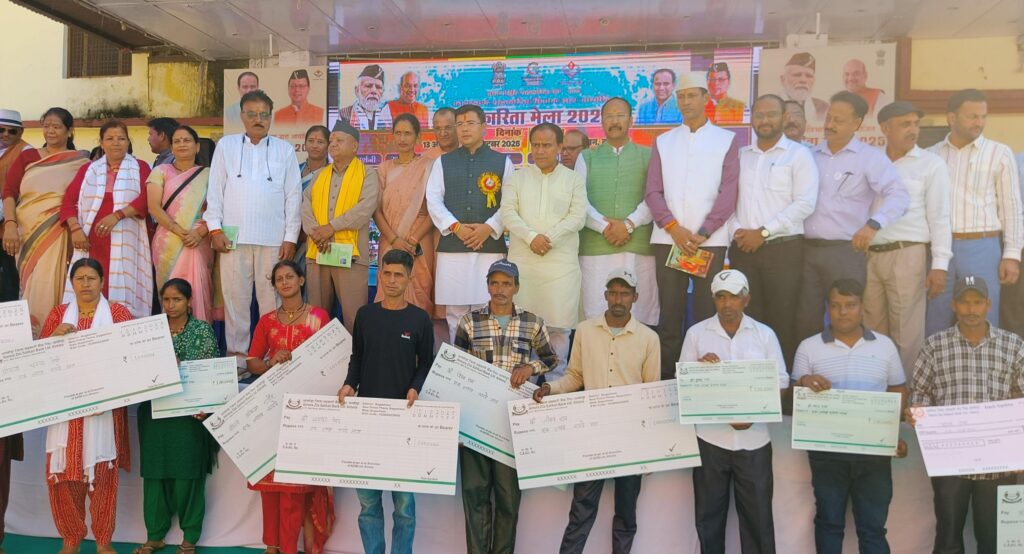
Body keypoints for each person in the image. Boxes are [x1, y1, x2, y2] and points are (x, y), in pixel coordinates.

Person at [533, 267, 660, 554]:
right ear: (605, 295)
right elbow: (575, 376)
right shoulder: (585, 330)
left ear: (635, 297)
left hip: (630, 437)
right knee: (581, 510)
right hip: (593, 434)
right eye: (613, 292)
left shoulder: (648, 338)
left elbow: (650, 394)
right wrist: (550, 388)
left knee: (626, 513)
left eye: (624, 293)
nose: (618, 299)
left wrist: (650, 448)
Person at [791, 278, 907, 554]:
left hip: (874, 453)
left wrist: (892, 433)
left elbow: (898, 389)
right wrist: (804, 381)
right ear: (827, 308)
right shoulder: (808, 347)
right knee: (829, 524)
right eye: (836, 305)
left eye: (850, 305)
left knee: (873, 529)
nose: (843, 312)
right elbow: (793, 396)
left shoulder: (885, 346)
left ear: (862, 307)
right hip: (827, 454)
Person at [909, 275, 1024, 554]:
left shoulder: (1013, 345)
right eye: (964, 302)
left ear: (988, 304)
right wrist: (918, 415)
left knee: (995, 541)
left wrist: (1019, 450)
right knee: (948, 539)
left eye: (977, 302)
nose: (971, 309)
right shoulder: (934, 346)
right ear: (953, 304)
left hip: (999, 463)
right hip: (950, 462)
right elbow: (920, 393)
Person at [680, 269, 789, 554]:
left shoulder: (764, 335)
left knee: (758, 521)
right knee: (708, 520)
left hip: (754, 441)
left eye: (734, 297)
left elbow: (780, 382)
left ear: (746, 299)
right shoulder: (696, 334)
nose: (727, 304)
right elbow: (684, 384)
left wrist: (754, 415)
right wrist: (700, 371)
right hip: (710, 440)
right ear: (713, 299)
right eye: (721, 297)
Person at [454, 259, 558, 554]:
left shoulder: (532, 322)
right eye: (494, 283)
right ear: (487, 285)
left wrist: (530, 367)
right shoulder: (469, 321)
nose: (500, 289)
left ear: (516, 287)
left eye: (506, 284)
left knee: (508, 501)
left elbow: (551, 359)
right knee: (474, 497)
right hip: (475, 423)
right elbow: (456, 367)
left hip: (513, 426)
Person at [338, 249, 434, 554]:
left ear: (409, 279)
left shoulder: (419, 319)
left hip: (404, 423)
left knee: (404, 506)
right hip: (365, 421)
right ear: (379, 274)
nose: (392, 280)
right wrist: (349, 384)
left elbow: (426, 363)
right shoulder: (366, 315)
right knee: (368, 504)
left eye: (398, 275)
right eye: (387, 273)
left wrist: (415, 388)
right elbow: (357, 357)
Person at [645, 70, 739, 378]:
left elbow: (729, 193)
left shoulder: (726, 140)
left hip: (708, 243)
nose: (686, 102)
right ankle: (668, 384)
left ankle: (703, 382)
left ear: (705, 98)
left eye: (692, 96)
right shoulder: (664, 141)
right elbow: (653, 192)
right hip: (668, 241)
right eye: (681, 96)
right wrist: (674, 228)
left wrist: (702, 232)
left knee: (705, 315)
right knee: (669, 317)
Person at [795, 91, 908, 342]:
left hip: (845, 252)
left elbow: (899, 195)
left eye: (839, 120)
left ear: (857, 123)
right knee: (805, 320)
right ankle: (807, 367)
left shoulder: (869, 158)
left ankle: (847, 367)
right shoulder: (810, 156)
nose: (830, 124)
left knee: (845, 320)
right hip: (807, 251)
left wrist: (873, 224)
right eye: (828, 117)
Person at [40, 257, 135, 554]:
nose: (85, 284)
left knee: (103, 476)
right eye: (79, 278)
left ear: (102, 282)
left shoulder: (118, 314)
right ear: (71, 283)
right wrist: (52, 339)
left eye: (91, 278)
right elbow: (39, 364)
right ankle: (71, 539)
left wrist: (108, 393)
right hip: (65, 414)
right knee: (64, 478)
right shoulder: (59, 315)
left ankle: (104, 542)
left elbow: (132, 357)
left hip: (103, 412)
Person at [205, 89, 302, 376]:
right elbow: (215, 191)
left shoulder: (284, 150)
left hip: (273, 240)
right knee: (235, 302)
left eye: (264, 115)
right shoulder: (226, 146)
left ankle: (273, 359)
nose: (258, 119)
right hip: (232, 240)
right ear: (242, 116)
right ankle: (238, 361)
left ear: (271, 117)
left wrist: (290, 237)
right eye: (252, 114)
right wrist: (214, 229)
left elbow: (293, 196)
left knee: (272, 302)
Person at [246, 260, 335, 554]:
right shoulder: (267, 321)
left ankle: (289, 548)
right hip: (272, 410)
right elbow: (252, 362)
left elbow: (332, 360)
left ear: (301, 280)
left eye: (289, 277)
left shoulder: (319, 318)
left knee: (295, 487)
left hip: (307, 413)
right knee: (270, 485)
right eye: (279, 279)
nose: (284, 282)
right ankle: (271, 546)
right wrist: (270, 362)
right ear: (274, 286)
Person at [729, 94, 818, 365]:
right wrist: (738, 231)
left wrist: (763, 232)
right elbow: (726, 200)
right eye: (759, 115)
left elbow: (805, 203)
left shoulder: (798, 155)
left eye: (771, 114)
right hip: (743, 249)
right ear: (751, 119)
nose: (765, 120)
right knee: (747, 319)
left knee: (782, 319)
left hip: (783, 251)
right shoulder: (741, 156)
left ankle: (781, 384)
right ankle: (750, 382)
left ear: (783, 117)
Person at [926, 88, 1023, 336]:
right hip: (940, 248)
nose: (979, 122)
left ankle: (986, 363)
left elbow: (1012, 207)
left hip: (983, 246)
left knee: (984, 318)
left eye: (983, 116)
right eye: (972, 116)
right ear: (951, 118)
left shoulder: (999, 153)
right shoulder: (931, 155)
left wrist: (1012, 254)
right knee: (935, 317)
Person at [865, 102, 952, 375]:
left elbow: (940, 217)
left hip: (908, 253)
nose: (913, 130)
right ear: (885, 128)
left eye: (915, 124)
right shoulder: (870, 160)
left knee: (907, 334)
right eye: (905, 124)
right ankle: (876, 393)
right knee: (871, 331)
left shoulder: (931, 164)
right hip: (868, 255)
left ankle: (908, 395)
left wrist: (940, 265)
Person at [134, 278, 219, 554]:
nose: (170, 305)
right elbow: (135, 369)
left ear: (189, 301)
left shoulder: (202, 330)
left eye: (177, 299)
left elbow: (210, 374)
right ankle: (154, 535)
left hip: (188, 417)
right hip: (155, 413)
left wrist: (205, 406)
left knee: (188, 476)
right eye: (166, 300)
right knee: (155, 475)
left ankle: (189, 538)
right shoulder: (150, 332)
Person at [500, 123, 587, 379]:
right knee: (522, 328)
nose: (540, 151)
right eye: (535, 145)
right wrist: (531, 238)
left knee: (559, 329)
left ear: (559, 146)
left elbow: (578, 217)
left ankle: (554, 386)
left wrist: (548, 238)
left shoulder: (573, 179)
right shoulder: (517, 178)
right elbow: (507, 213)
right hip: (524, 266)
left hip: (560, 266)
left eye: (546, 145)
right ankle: (521, 388)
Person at [426, 104, 515, 340]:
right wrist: (456, 227)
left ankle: (484, 361)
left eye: (470, 123)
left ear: (484, 127)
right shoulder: (443, 162)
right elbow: (433, 199)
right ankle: (459, 360)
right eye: (460, 124)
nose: (464, 129)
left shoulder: (503, 162)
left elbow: (510, 203)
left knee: (487, 309)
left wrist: (489, 228)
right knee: (455, 313)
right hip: (453, 246)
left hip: (489, 247)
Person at [4, 108, 88, 337]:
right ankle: (31, 336)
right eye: (46, 126)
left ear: (69, 131)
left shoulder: (81, 161)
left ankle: (53, 333)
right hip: (27, 233)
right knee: (31, 283)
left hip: (62, 232)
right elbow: (9, 192)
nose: (50, 131)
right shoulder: (28, 156)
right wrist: (10, 225)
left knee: (57, 282)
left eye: (56, 126)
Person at [576, 98, 659, 327]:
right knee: (595, 314)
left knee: (639, 315)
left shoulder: (649, 155)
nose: (615, 121)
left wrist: (629, 225)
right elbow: (579, 202)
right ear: (602, 121)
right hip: (595, 249)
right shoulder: (587, 157)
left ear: (631, 120)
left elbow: (654, 197)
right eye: (609, 116)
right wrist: (606, 227)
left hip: (638, 247)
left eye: (620, 116)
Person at [61, 119, 153, 318]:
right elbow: (68, 202)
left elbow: (148, 198)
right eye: (110, 138)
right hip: (91, 242)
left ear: (128, 142)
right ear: (101, 143)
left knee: (123, 287)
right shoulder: (88, 170)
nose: (116, 143)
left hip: (127, 242)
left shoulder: (140, 167)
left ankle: (123, 324)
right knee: (92, 282)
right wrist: (76, 230)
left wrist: (118, 215)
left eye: (121, 138)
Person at [301, 119, 379, 334]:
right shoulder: (320, 175)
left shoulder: (368, 174)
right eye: (332, 140)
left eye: (339, 140)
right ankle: (320, 356)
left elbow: (365, 209)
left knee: (354, 317)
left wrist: (331, 228)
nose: (333, 144)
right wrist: (316, 233)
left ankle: (355, 356)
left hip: (350, 254)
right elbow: (305, 205)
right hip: (319, 251)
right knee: (317, 317)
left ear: (354, 146)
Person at [147, 126, 215, 322]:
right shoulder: (160, 172)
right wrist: (180, 231)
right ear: (171, 147)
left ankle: (200, 334)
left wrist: (200, 232)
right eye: (177, 141)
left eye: (187, 140)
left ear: (197, 146)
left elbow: (218, 209)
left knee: (198, 291)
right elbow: (154, 207)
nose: (182, 144)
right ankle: (170, 337)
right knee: (170, 293)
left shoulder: (209, 174)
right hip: (168, 240)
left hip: (199, 239)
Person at [373, 113, 437, 314]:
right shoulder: (384, 169)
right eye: (398, 133)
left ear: (418, 137)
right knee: (389, 291)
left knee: (420, 293)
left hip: (419, 241)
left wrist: (413, 239)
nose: (402, 138)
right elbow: (376, 210)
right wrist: (394, 239)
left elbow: (435, 209)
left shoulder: (429, 167)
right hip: (389, 240)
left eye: (408, 133)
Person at [339, 64, 393, 130]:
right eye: (368, 86)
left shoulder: (389, 116)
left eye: (378, 87)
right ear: (357, 91)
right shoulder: (344, 115)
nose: (374, 91)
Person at [779, 52, 827, 121]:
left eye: (809, 76)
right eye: (797, 75)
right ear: (783, 80)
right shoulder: (772, 105)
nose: (803, 80)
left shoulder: (822, 108)